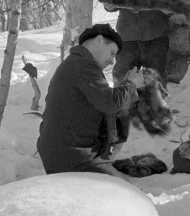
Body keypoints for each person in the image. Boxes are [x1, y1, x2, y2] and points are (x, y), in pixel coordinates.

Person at [37, 23, 145, 176]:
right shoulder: (83, 64)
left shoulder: (77, 63)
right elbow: (110, 103)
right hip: (73, 155)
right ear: (99, 40)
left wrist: (127, 88)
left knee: (121, 114)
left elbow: (106, 100)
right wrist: (132, 83)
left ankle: (104, 164)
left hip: (66, 150)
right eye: (112, 53)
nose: (112, 61)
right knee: (124, 193)